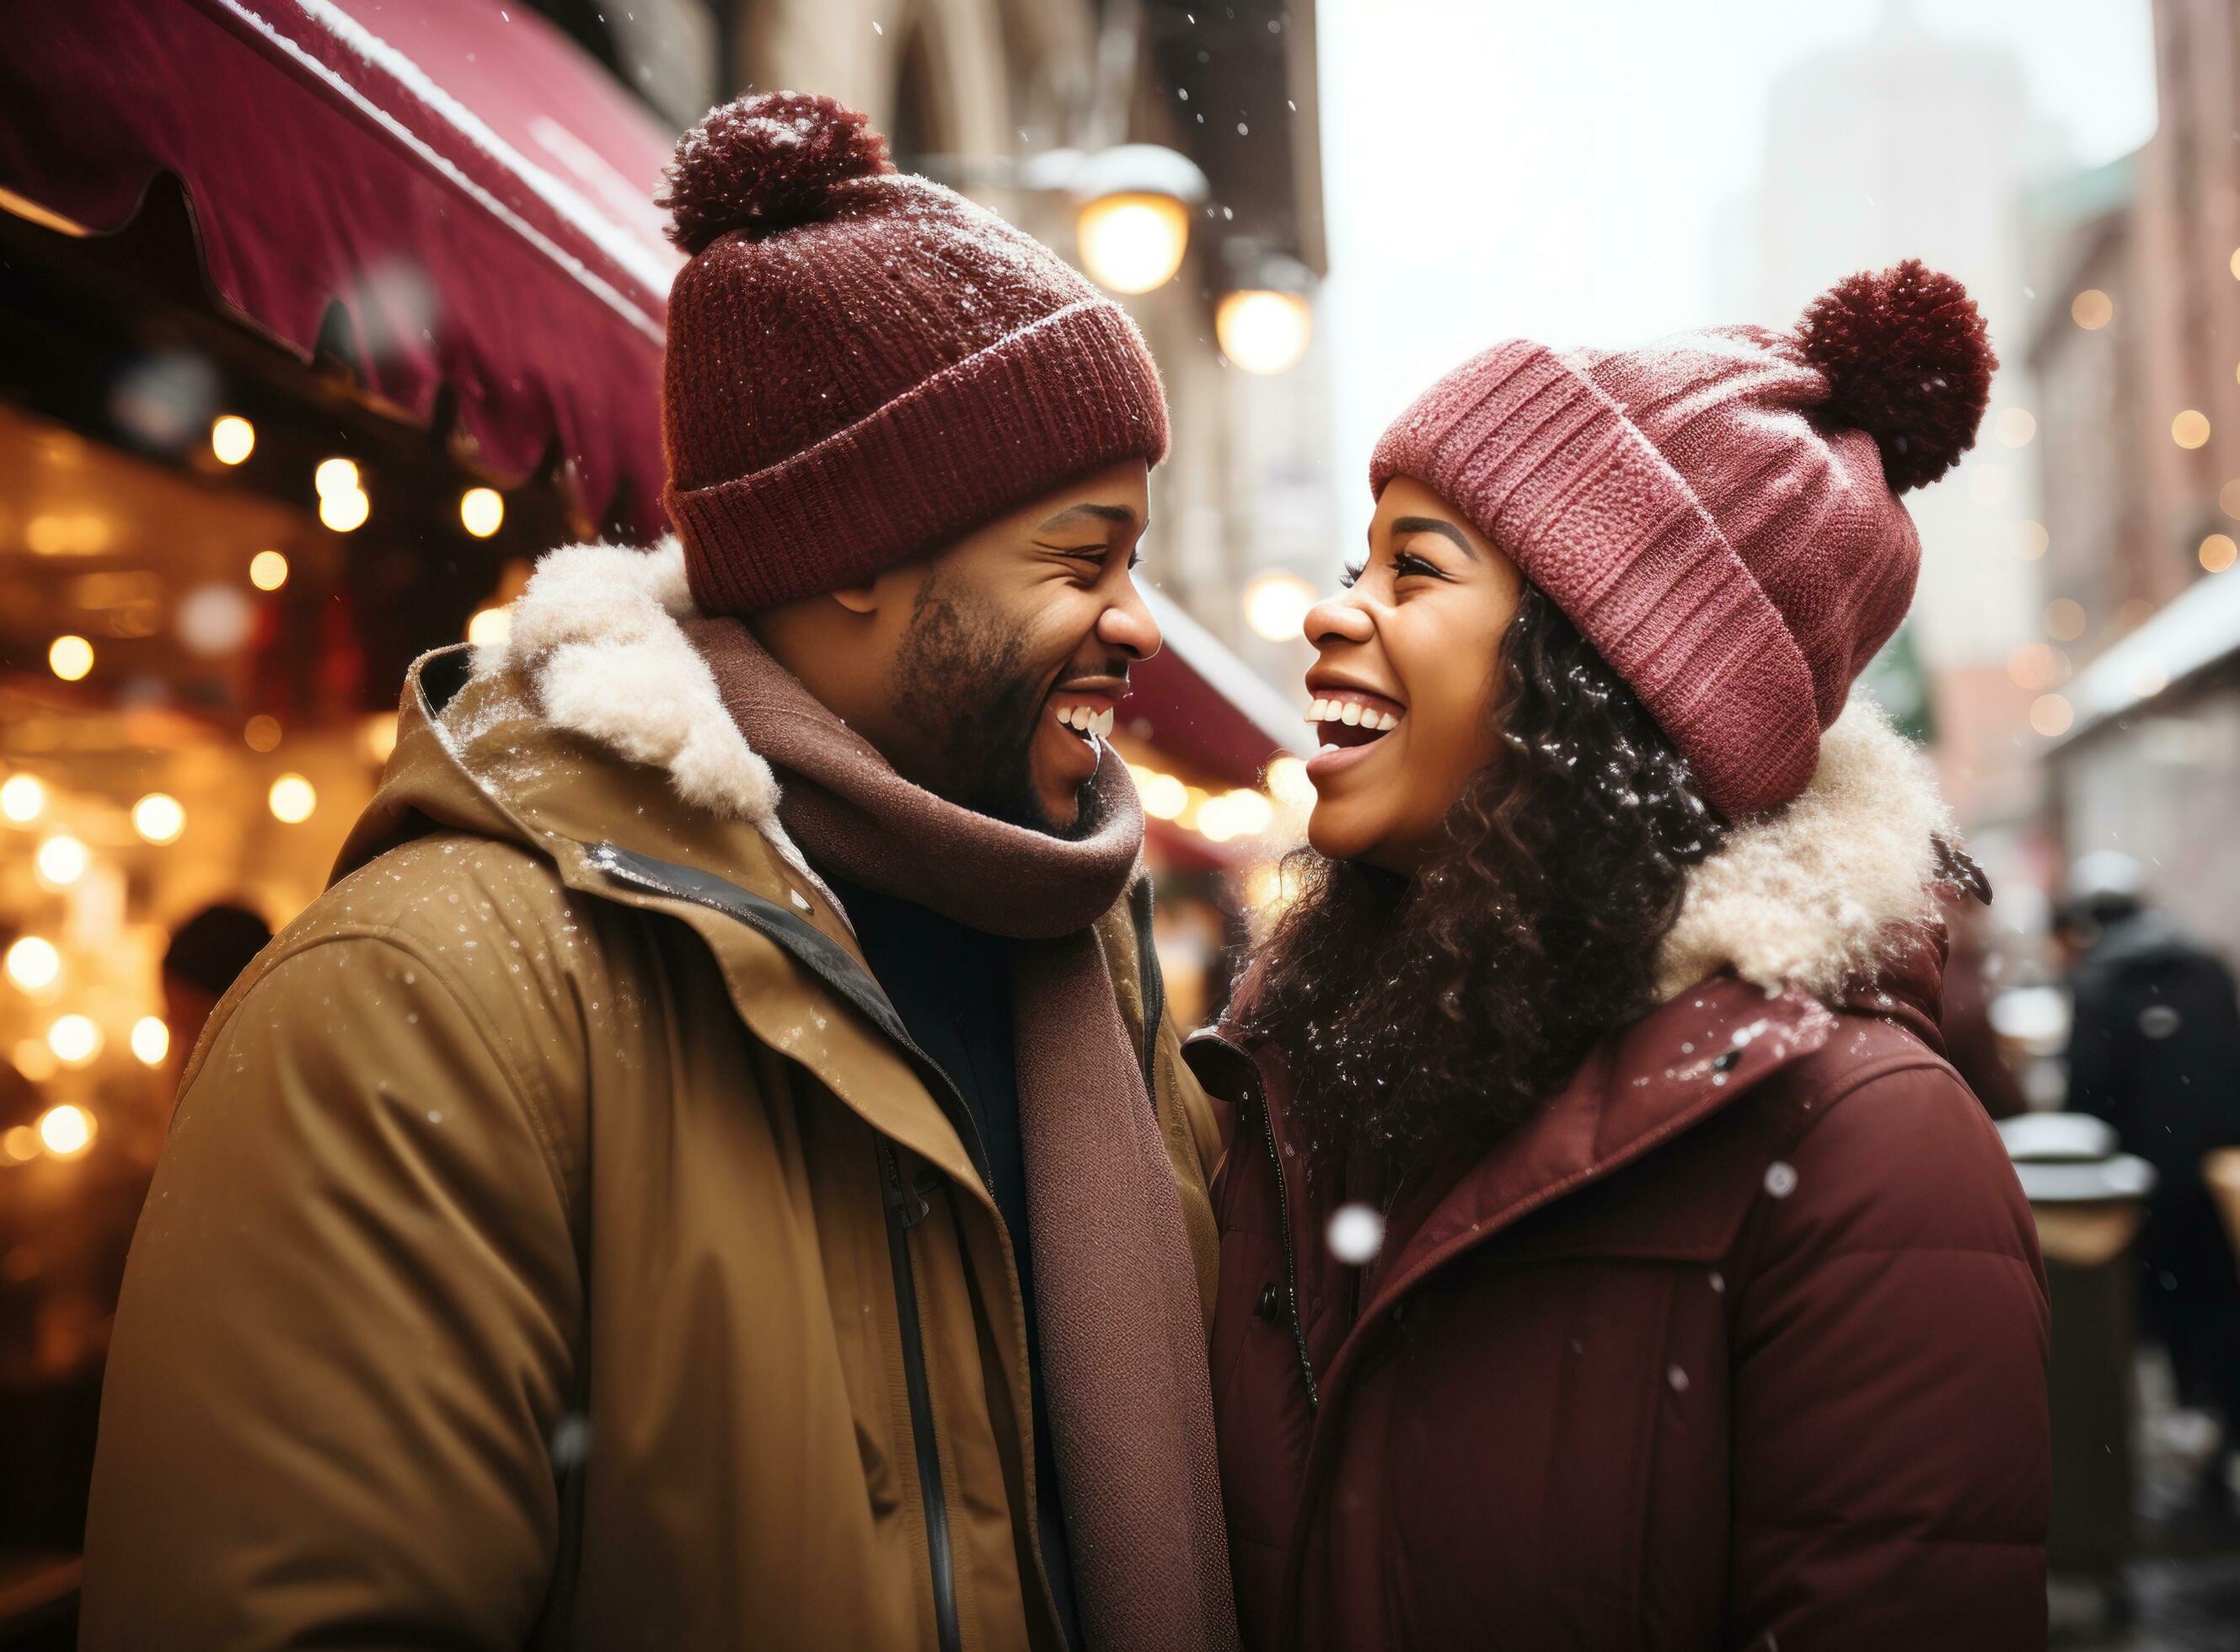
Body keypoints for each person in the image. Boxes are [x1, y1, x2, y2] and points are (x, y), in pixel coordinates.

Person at [83, 93, 1235, 1652]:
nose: (1137, 627)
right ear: (858, 552)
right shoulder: (424, 1005)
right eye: (1079, 556)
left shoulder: (1079, 960)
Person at [1192, 263, 2051, 1649]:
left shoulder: (1864, 1148)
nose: (1329, 611)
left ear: (1589, 680)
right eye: (1360, 562)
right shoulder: (1292, 1081)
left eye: (1413, 567)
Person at [2060, 850, 2240, 1510]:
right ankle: (2221, 1426)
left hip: (2144, 1181)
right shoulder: (2209, 967)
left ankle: (2182, 1429)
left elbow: (2087, 1095)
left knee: (2159, 1309)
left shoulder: (2098, 982)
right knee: (2220, 1300)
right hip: (2216, 1173)